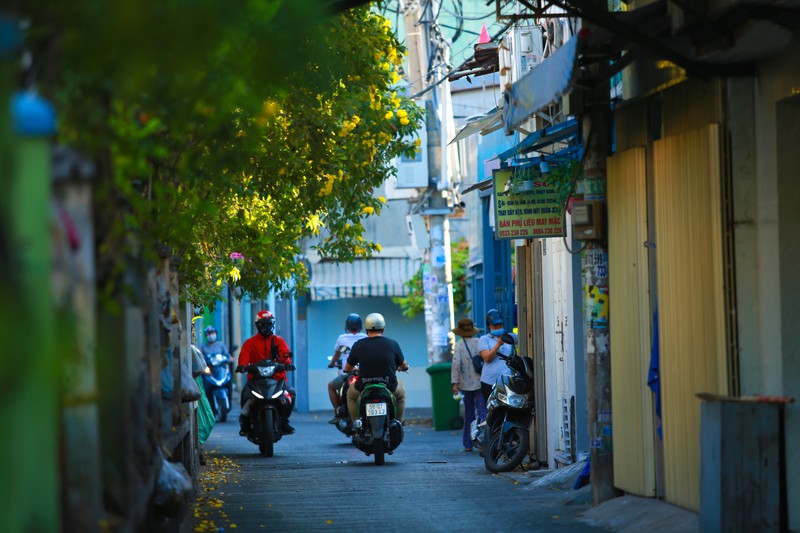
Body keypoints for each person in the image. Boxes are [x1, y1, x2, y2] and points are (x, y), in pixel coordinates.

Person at [237, 310, 296, 435]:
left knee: (291, 393)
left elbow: (285, 355)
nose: (266, 327)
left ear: (272, 324)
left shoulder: (279, 341)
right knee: (245, 394)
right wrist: (242, 366)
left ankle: (285, 420)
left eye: (268, 324)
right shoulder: (250, 342)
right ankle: (245, 421)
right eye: (263, 324)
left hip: (277, 379)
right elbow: (244, 357)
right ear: (257, 325)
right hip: (255, 379)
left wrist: (287, 363)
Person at [344, 312, 409, 423]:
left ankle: (357, 423)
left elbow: (348, 367)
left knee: (350, 395)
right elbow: (404, 365)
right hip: (389, 385)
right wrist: (402, 367)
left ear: (366, 329)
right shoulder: (393, 344)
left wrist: (351, 369)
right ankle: (398, 422)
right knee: (401, 395)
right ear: (383, 329)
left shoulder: (358, 345)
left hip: (364, 385)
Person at [450, 317, 486, 452]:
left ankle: (468, 444)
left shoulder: (459, 345)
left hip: (465, 384)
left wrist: (455, 383)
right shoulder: (480, 342)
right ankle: (484, 442)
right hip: (480, 382)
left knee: (469, 414)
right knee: (482, 413)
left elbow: (456, 365)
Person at [326, 313, 367, 424]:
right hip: (363, 373)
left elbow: (337, 355)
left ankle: (337, 411)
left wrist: (332, 363)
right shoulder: (365, 337)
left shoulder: (342, 339)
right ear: (360, 326)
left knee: (330, 386)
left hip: (347, 374)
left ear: (347, 326)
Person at [477, 309, 517, 403]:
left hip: (507, 381)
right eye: (495, 325)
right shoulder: (484, 339)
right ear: (489, 326)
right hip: (489, 381)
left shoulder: (510, 337)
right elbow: (487, 358)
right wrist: (498, 344)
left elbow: (525, 337)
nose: (498, 327)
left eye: (500, 325)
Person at [200, 325, 233, 400]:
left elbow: (227, 356)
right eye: (209, 334)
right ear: (206, 336)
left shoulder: (221, 345)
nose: (211, 335)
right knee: (207, 386)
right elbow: (200, 357)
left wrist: (230, 359)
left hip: (221, 370)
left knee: (228, 382)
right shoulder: (203, 347)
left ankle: (229, 400)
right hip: (210, 372)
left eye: (212, 333)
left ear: (216, 334)